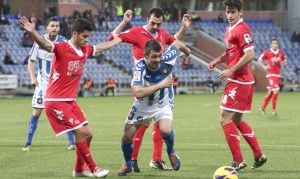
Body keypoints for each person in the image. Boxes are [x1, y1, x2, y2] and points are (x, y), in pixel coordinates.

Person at [20, 16, 121, 177]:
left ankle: (79, 170)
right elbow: (45, 44)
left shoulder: (84, 50)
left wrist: (117, 40)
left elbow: (100, 47)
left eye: (88, 37)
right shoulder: (61, 48)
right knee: (80, 133)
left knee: (88, 134)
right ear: (75, 34)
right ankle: (94, 168)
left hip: (70, 101)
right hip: (55, 101)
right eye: (84, 36)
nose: (87, 40)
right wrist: (33, 33)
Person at [109, 8, 191, 171]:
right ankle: (131, 160)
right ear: (147, 18)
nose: (155, 27)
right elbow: (113, 38)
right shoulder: (136, 32)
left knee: (163, 128)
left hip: (161, 93)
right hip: (143, 85)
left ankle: (160, 157)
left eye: (158, 24)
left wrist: (185, 30)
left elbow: (175, 41)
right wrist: (125, 22)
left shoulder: (162, 36)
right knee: (136, 129)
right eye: (153, 22)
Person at [207, 0, 267, 171]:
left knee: (224, 118)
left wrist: (230, 70)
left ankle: (238, 161)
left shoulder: (242, 29)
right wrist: (217, 61)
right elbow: (231, 52)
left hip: (239, 80)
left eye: (233, 12)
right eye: (228, 12)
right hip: (240, 80)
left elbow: (250, 55)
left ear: (241, 12)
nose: (230, 15)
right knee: (237, 120)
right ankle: (259, 155)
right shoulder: (229, 29)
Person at [22, 17, 75, 151]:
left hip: (58, 84)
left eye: (57, 26)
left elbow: (70, 60)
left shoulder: (63, 42)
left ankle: (71, 142)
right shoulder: (39, 42)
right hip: (43, 83)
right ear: (47, 27)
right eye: (52, 25)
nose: (55, 28)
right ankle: (28, 142)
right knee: (37, 111)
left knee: (64, 112)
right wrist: (33, 78)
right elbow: (31, 61)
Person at [258, 38, 287, 117]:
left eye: (276, 43)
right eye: (273, 43)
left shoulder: (281, 52)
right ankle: (273, 110)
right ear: (271, 44)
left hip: (277, 75)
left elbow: (285, 61)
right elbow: (259, 60)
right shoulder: (267, 52)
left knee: (270, 92)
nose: (275, 45)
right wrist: (264, 67)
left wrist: (283, 63)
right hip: (271, 74)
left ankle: (262, 108)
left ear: (278, 44)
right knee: (276, 90)